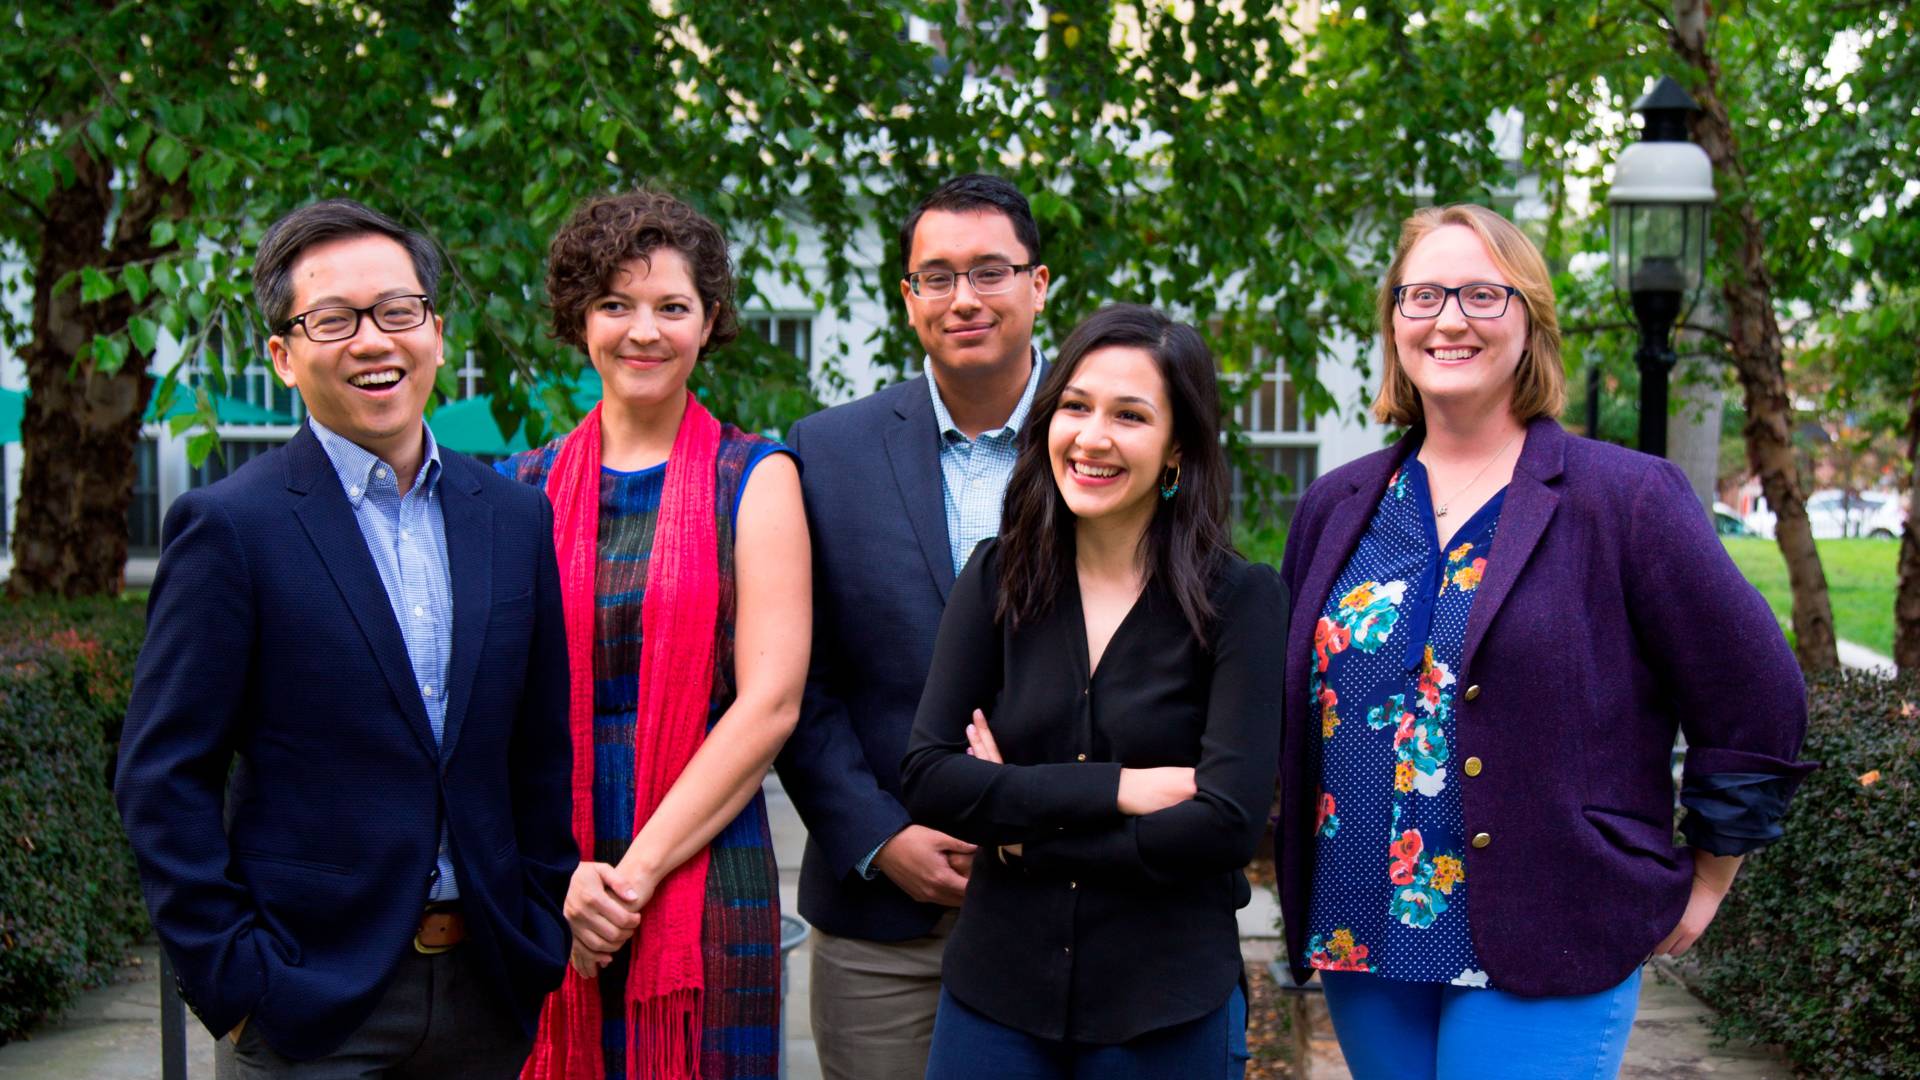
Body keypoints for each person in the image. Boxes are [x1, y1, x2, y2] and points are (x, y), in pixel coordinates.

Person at [1274, 204, 1814, 1080]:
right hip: (1359, 927)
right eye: (1423, 295)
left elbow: (1756, 690)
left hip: (1553, 924)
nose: (1449, 319)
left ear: (1530, 321)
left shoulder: (1625, 498)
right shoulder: (1337, 507)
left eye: (1482, 295)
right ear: (1395, 322)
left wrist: (1712, 874)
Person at [116, 199, 575, 1076]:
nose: (373, 341)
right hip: (308, 1006)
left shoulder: (514, 517)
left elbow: (538, 752)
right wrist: (235, 985)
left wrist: (539, 921)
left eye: (398, 310)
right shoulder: (230, 528)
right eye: (333, 320)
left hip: (489, 991)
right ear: (283, 356)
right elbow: (162, 777)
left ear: (436, 332)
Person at [901, 303, 1282, 1078]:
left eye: (1130, 416)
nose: (1092, 437)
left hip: (1163, 1011)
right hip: (995, 1005)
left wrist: (1020, 831)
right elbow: (930, 777)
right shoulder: (997, 577)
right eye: (1076, 406)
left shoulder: (1240, 601)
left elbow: (1226, 826)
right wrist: (1122, 789)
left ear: (1178, 447)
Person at [500, 190, 809, 1080]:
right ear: (580, 319)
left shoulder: (756, 478)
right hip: (548, 871)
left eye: (672, 306)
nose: (645, 331)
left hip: (704, 873)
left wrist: (626, 881)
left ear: (708, 322)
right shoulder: (518, 489)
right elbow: (494, 710)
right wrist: (562, 877)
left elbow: (770, 705)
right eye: (615, 304)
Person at [773, 174, 1050, 1078]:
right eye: (937, 276)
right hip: (885, 923)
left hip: (1076, 904)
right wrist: (878, 838)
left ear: (1038, 284)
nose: (963, 298)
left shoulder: (1111, 433)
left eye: (990, 271)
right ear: (908, 297)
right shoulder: (826, 453)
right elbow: (793, 681)